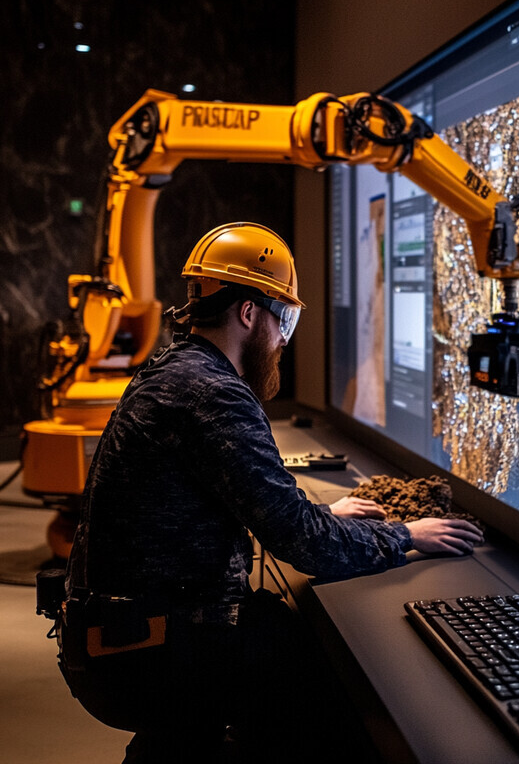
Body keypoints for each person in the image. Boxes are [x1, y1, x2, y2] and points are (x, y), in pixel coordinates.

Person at [60, 221, 483, 763]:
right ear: (247, 313)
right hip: (151, 649)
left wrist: (324, 512)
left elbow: (245, 503)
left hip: (118, 636)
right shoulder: (215, 394)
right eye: (284, 318)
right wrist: (405, 536)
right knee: (328, 686)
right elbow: (304, 544)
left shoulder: (175, 371)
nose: (285, 336)